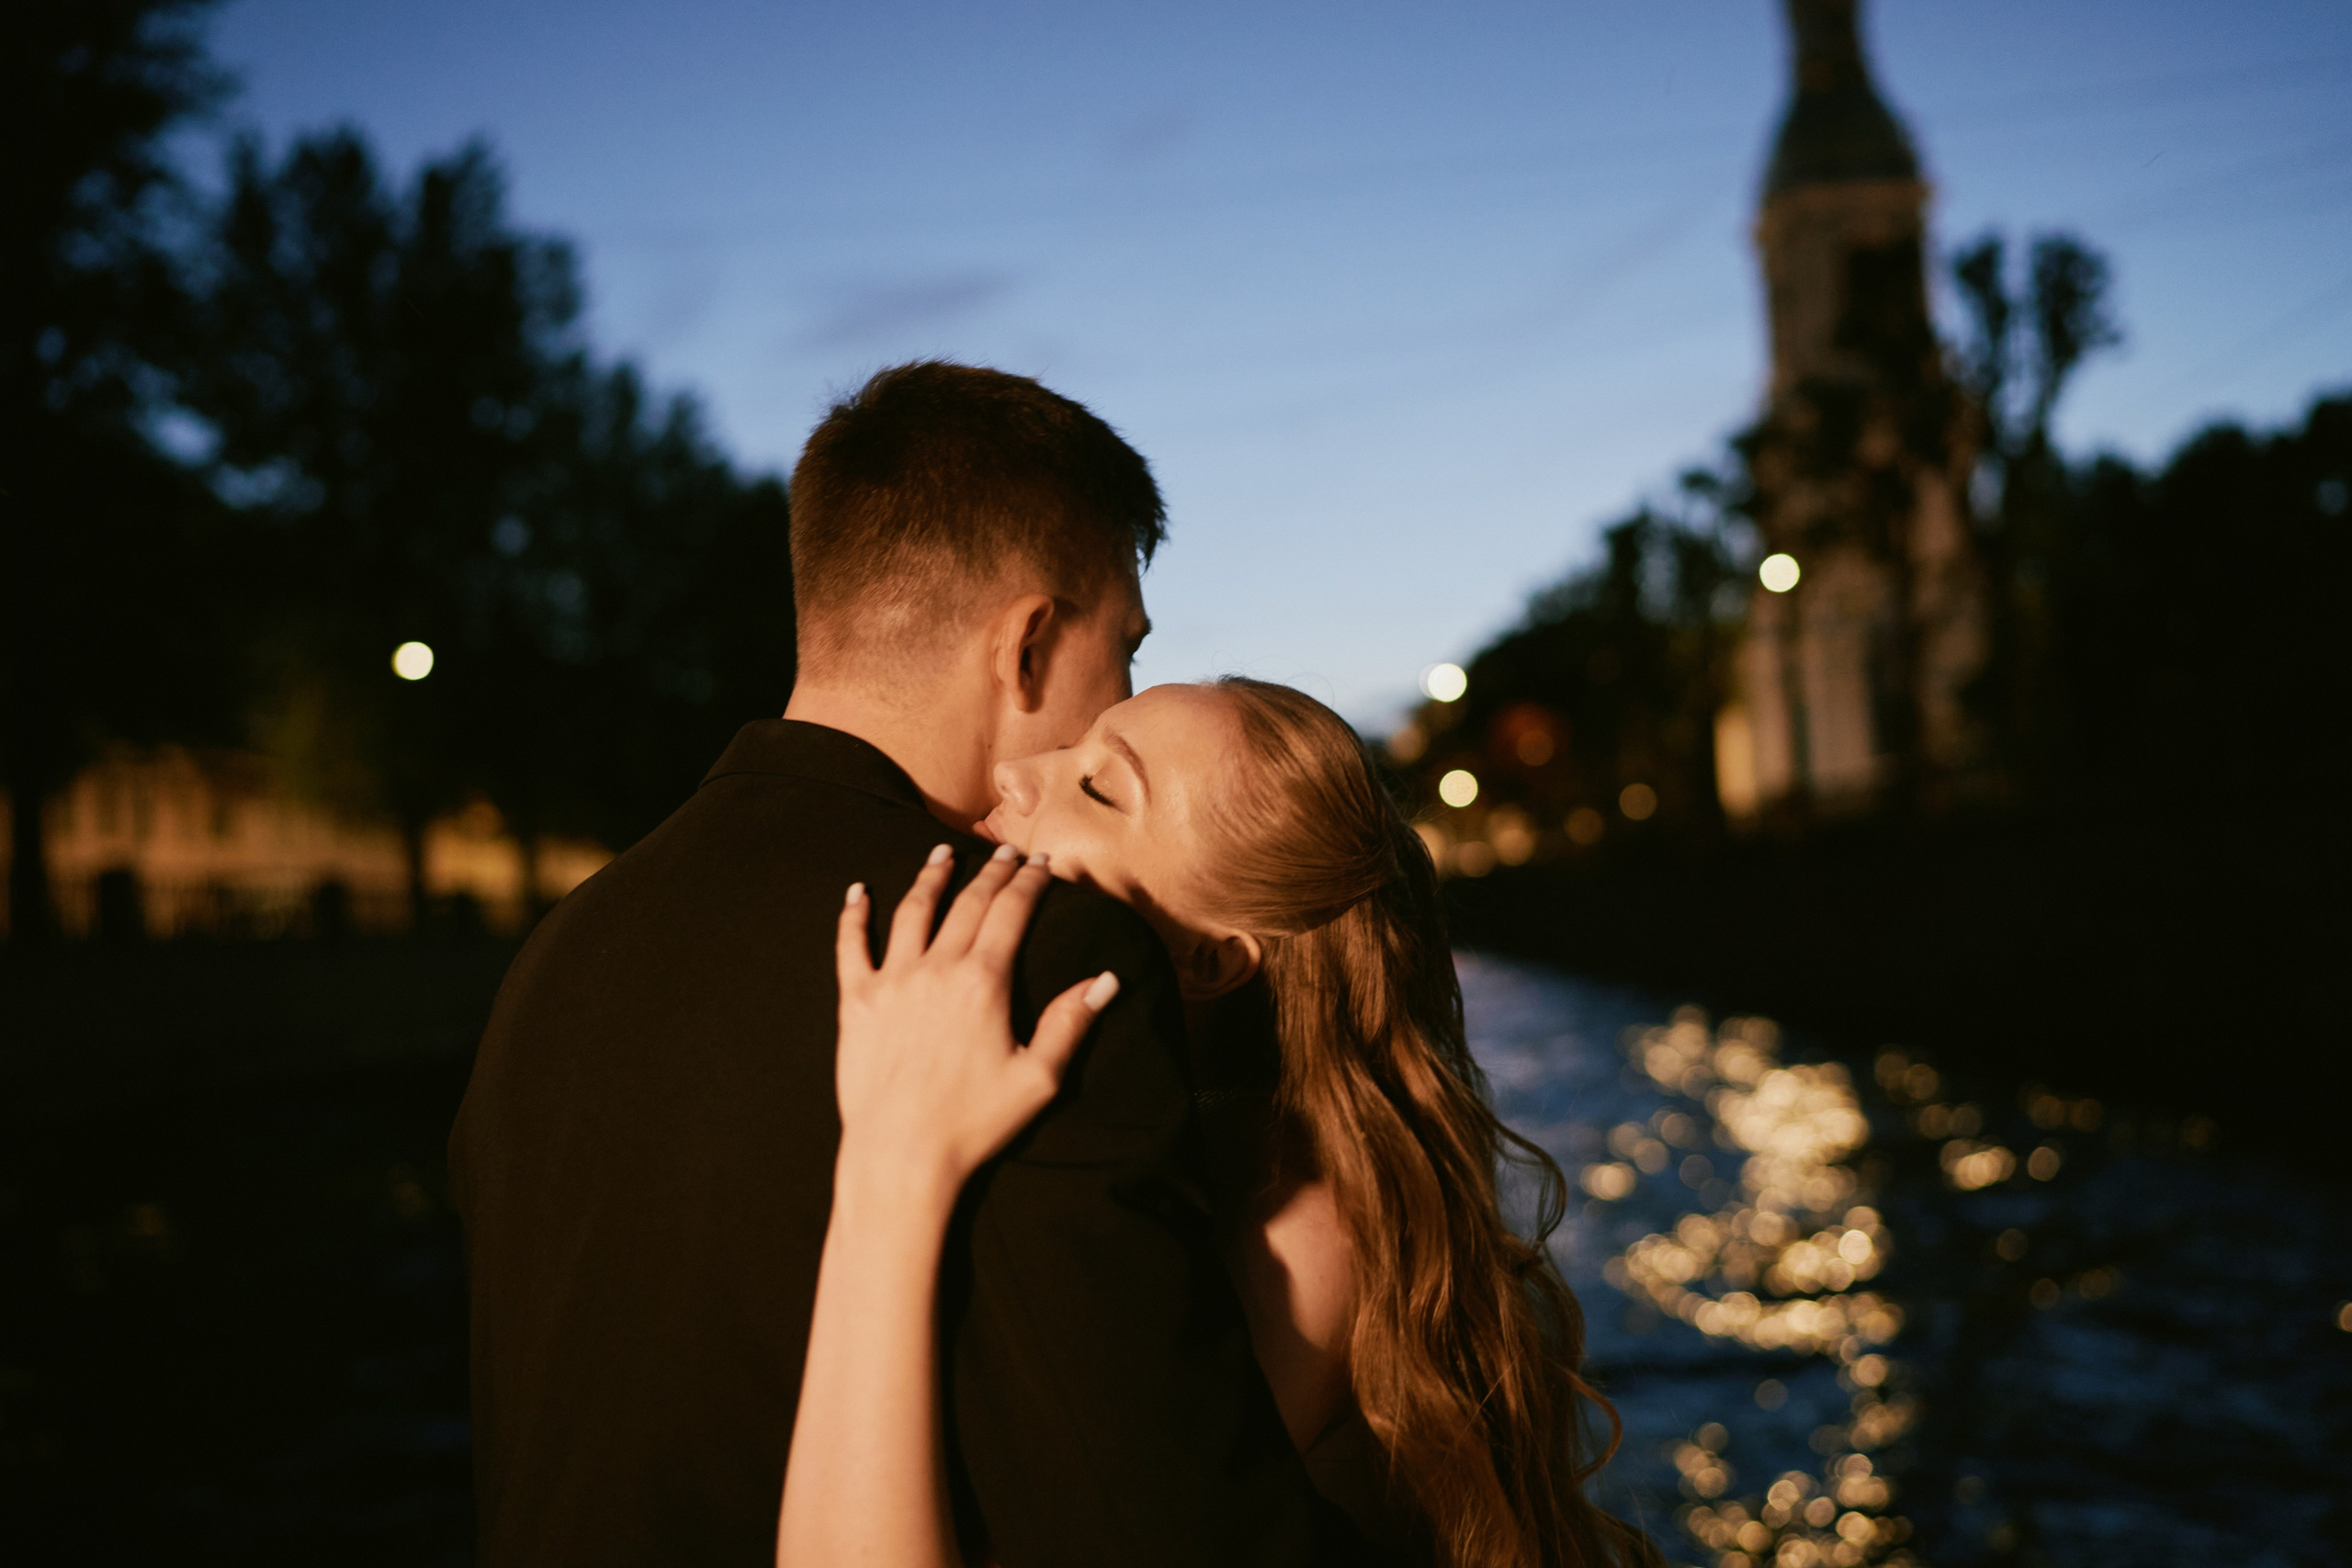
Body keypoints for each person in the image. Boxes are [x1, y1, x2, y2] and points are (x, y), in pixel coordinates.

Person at [451, 362, 1363, 1566]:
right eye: (1124, 649)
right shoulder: (1027, 953)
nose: (1120, 695)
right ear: (1029, 644)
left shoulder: (558, 958)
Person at [780, 677, 1662, 1568]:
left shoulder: (1301, 1229)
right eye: (1075, 748)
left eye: (1099, 788)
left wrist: (892, 1165)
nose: (1015, 771)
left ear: (1209, 962)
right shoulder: (1108, 1116)